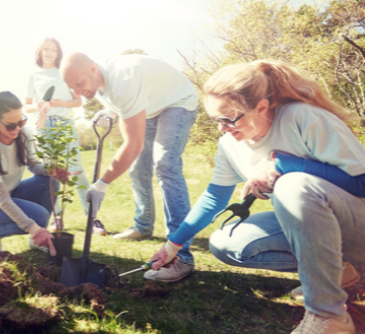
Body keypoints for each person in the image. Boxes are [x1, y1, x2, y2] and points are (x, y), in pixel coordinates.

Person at [147, 60, 365, 333]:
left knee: (292, 186)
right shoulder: (229, 144)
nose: (222, 128)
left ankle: (328, 315)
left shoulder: (303, 117)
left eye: (229, 118)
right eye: (216, 120)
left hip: (359, 225)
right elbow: (215, 196)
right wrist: (173, 245)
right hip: (324, 228)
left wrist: (284, 165)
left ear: (261, 107)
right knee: (227, 242)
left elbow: (362, 183)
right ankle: (338, 273)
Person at [60, 52, 199, 281]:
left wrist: (102, 185)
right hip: (152, 107)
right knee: (137, 168)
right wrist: (110, 110)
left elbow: (132, 144)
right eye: (71, 88)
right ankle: (143, 226)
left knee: (165, 164)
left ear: (93, 69)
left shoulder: (123, 81)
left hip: (178, 102)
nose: (77, 92)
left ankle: (181, 258)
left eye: (79, 84)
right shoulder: (101, 81)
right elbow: (121, 101)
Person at [0, 92, 69, 254]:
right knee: (39, 217)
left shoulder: (24, 134)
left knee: (51, 182)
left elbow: (34, 166)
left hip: (11, 192)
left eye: (21, 121)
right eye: (10, 125)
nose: (17, 129)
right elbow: (2, 200)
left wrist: (52, 169)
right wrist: (33, 227)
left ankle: (36, 242)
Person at [23, 38, 100, 234]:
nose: (49, 52)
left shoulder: (64, 74)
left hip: (64, 125)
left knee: (76, 170)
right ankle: (56, 218)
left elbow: (77, 101)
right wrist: (38, 106)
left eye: (53, 50)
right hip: (43, 127)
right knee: (52, 174)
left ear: (58, 54)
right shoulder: (33, 76)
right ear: (39, 52)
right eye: (46, 49)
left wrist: (59, 104)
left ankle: (92, 219)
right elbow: (27, 105)